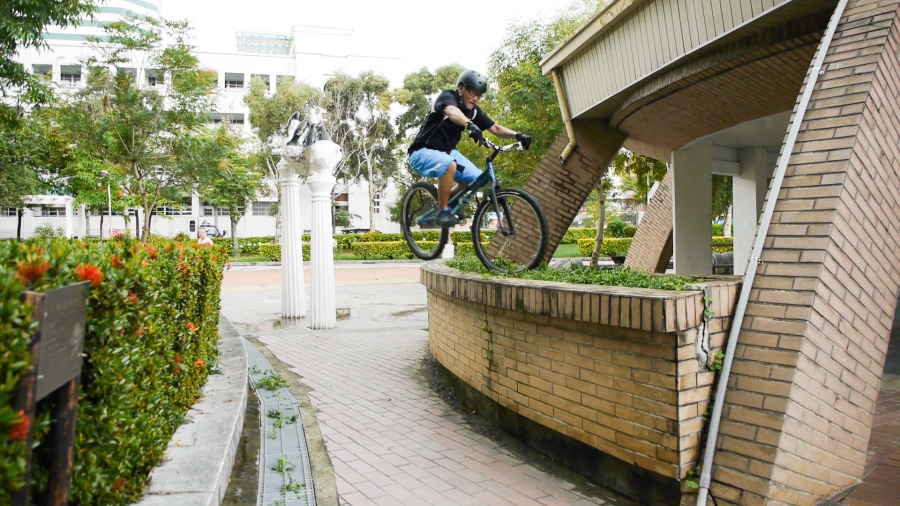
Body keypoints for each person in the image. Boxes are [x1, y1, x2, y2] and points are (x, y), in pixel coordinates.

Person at [407, 69, 532, 227]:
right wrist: (470, 125)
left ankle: (448, 199)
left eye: (479, 95)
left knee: (477, 179)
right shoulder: (448, 97)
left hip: (447, 152)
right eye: (473, 93)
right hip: (421, 152)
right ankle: (443, 211)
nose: (476, 98)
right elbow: (452, 112)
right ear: (461, 88)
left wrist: (518, 135)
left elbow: (496, 129)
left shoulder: (473, 112)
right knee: (449, 163)